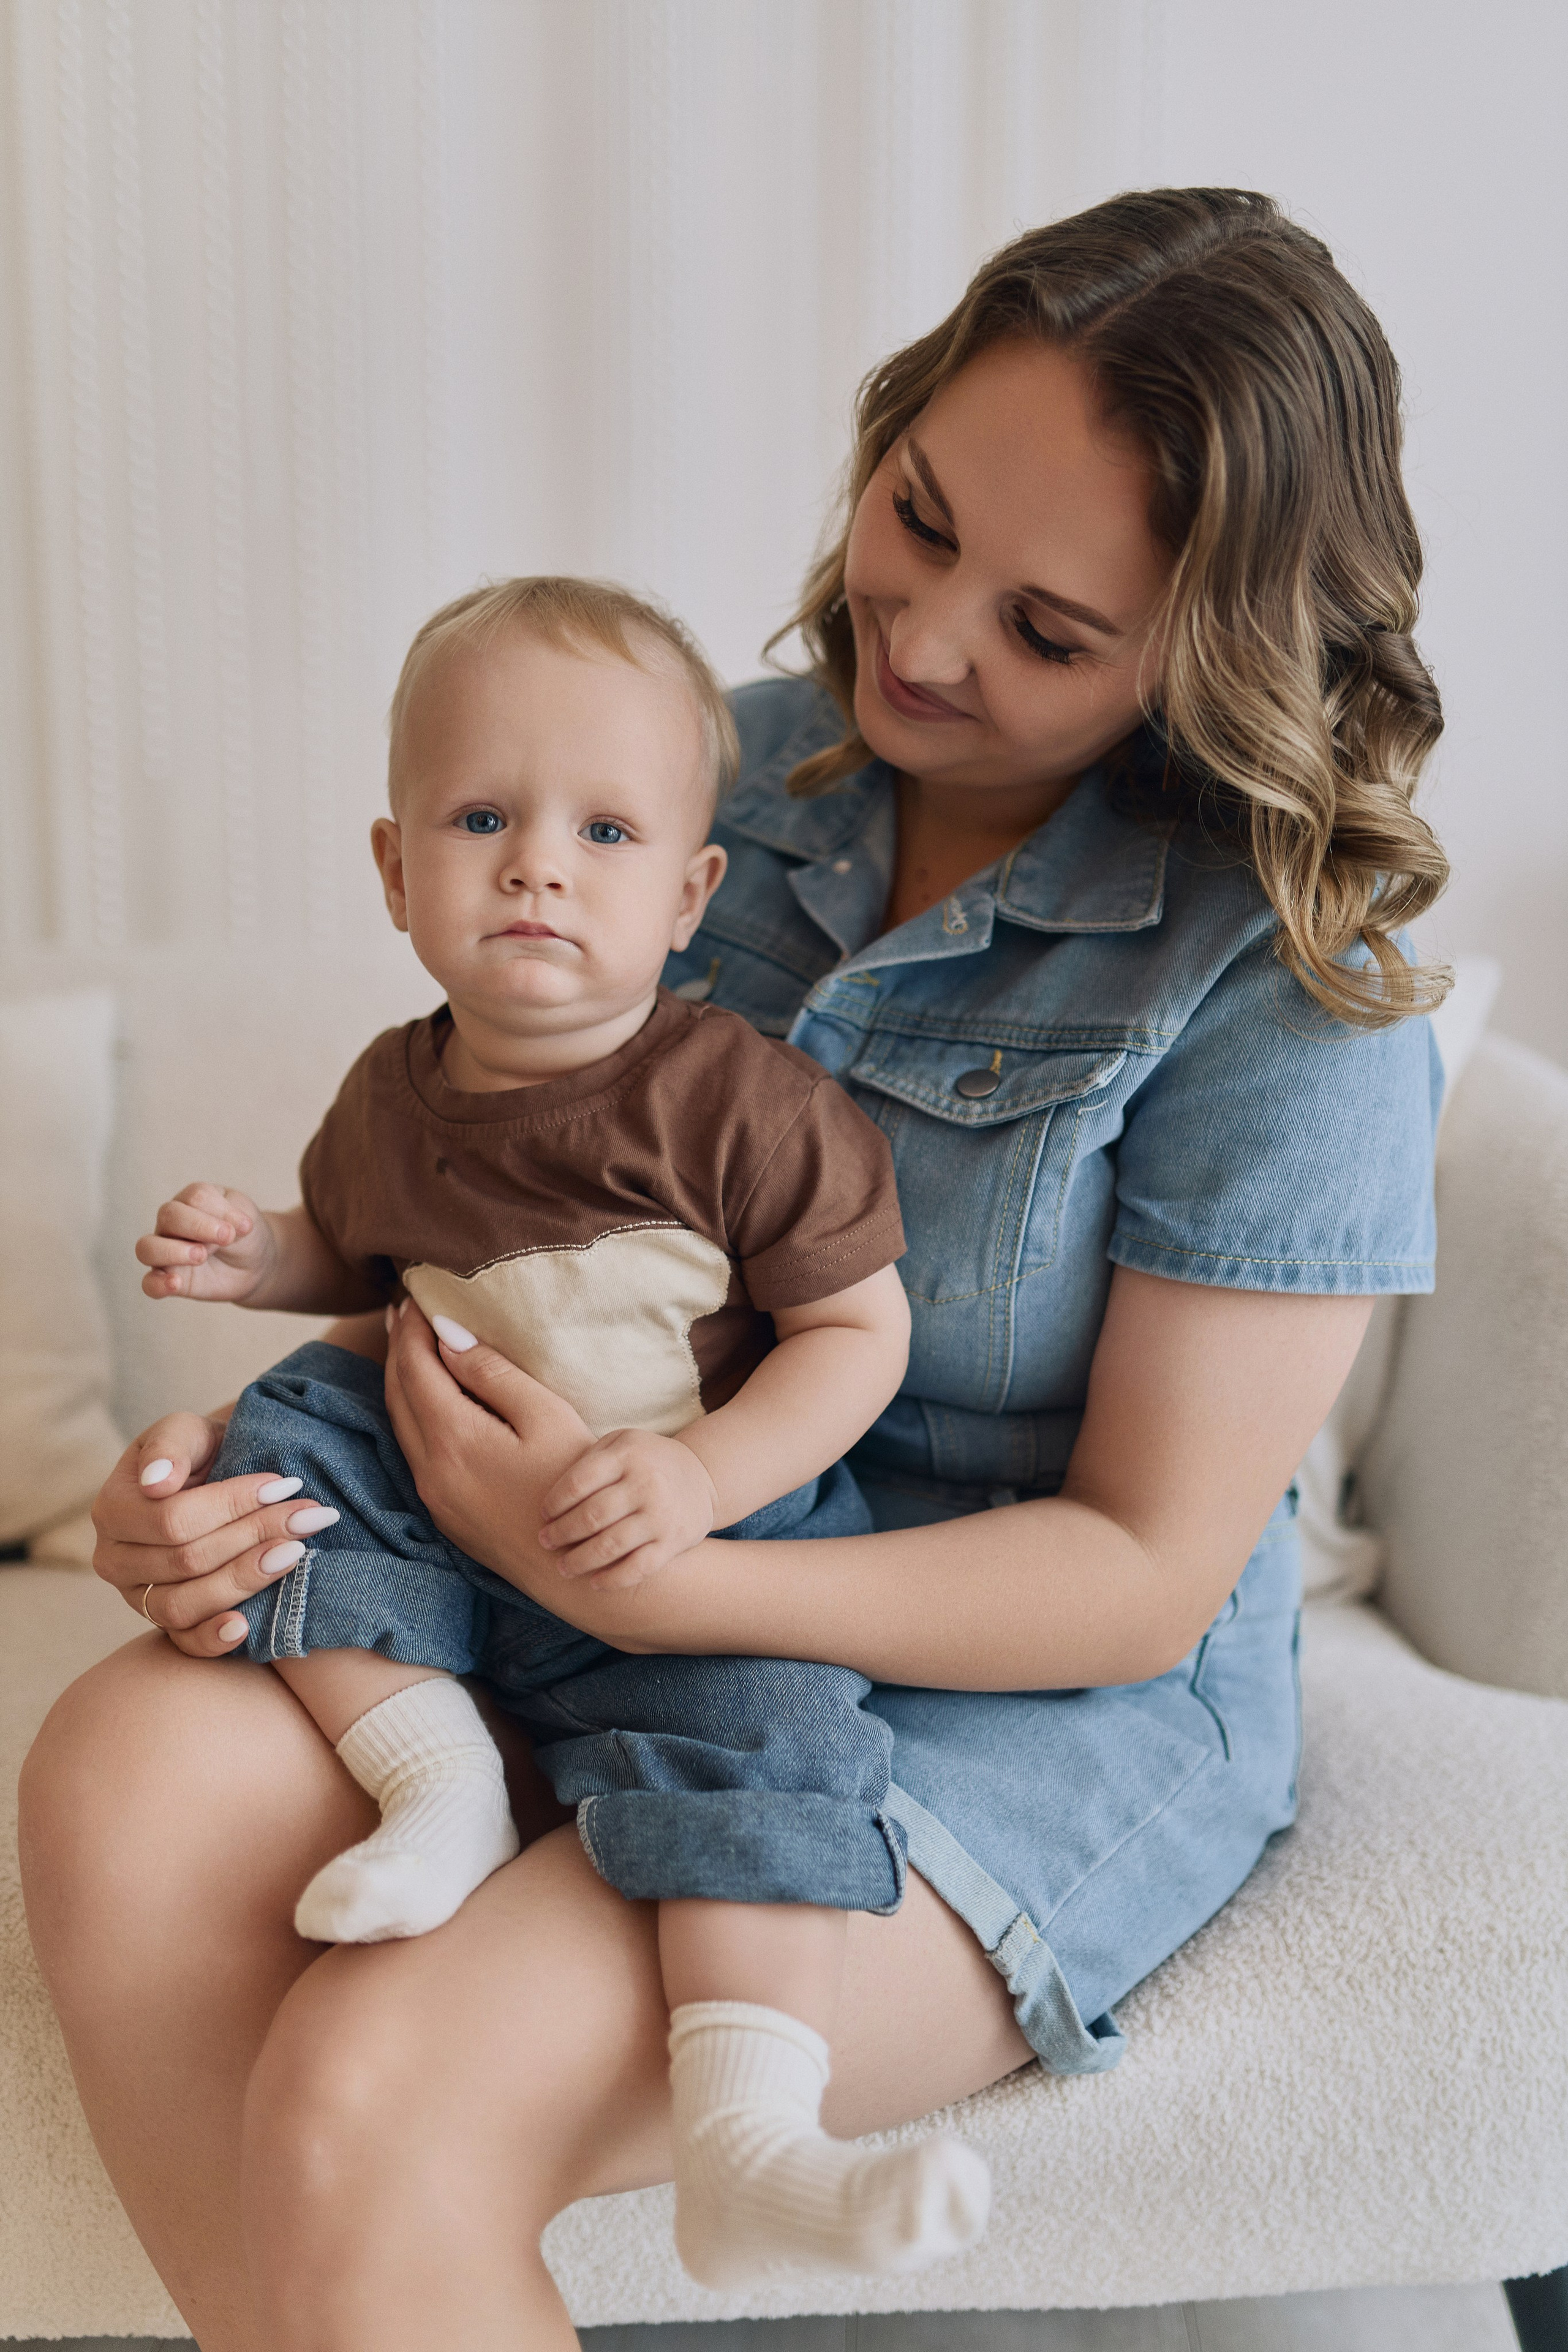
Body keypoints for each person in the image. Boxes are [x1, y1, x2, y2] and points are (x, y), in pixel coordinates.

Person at [21, 188, 1448, 2352]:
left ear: (1213, 656)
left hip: (1007, 1683)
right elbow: (483, 1230)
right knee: (123, 1778)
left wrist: (669, 1582)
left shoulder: (1285, 981)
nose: (931, 641)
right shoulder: (700, 774)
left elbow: (1143, 1568)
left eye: (1052, 630)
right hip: (574, 1551)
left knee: (377, 2095)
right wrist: (241, 1493)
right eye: (917, 514)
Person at [131, 571, 989, 2288]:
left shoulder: (740, 1101)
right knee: (277, 1433)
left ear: (688, 897)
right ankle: (434, 1776)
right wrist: (262, 1260)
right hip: (446, 1523)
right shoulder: (391, 1088)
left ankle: (749, 2146)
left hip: (679, 1550)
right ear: (396, 872)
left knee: (768, 1748)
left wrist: (702, 1475)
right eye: (481, 818)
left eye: (602, 831)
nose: (536, 864)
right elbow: (359, 1264)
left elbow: (853, 1333)